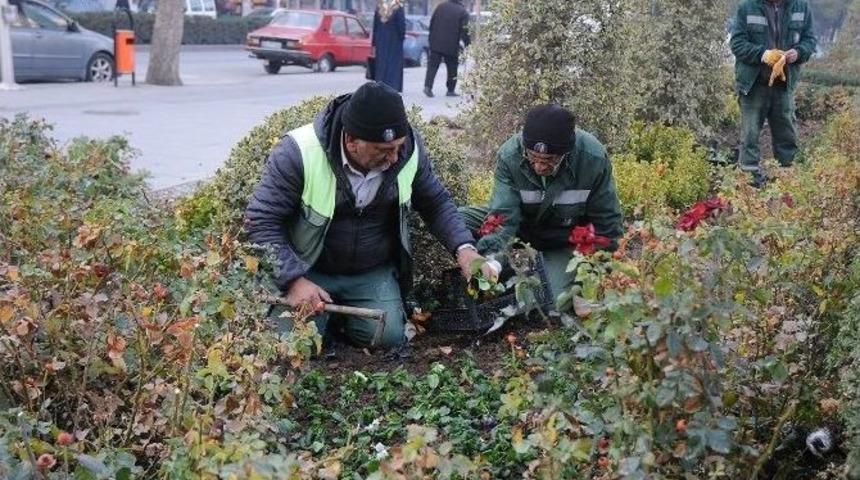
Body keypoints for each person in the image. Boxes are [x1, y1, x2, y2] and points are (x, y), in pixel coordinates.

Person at [245, 82, 495, 349]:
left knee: (388, 339)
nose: (394, 157)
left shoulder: (407, 151)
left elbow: (435, 203)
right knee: (291, 346)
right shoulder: (299, 152)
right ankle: (325, 320)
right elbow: (261, 221)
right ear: (352, 141)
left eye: (398, 147)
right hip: (309, 268)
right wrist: (292, 280)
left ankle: (337, 320)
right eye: (383, 150)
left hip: (370, 269)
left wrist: (465, 249)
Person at [460, 104, 623, 304]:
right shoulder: (509, 155)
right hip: (521, 226)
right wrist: (492, 261)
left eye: (549, 160)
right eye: (532, 157)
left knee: (553, 299)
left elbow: (607, 220)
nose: (539, 166)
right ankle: (511, 262)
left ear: (566, 152)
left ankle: (537, 273)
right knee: (456, 221)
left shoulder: (593, 159)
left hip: (565, 238)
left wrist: (604, 271)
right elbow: (503, 215)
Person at [730, 0, 816, 188]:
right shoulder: (747, 8)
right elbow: (736, 43)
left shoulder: (801, 7)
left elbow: (810, 40)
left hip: (783, 86)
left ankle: (786, 182)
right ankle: (748, 183)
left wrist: (798, 53)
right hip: (754, 85)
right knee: (750, 134)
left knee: (786, 134)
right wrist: (763, 55)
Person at [424, 0, 470, 98]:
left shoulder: (440, 6)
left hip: (436, 43)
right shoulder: (462, 12)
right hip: (451, 44)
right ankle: (450, 89)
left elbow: (432, 23)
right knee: (452, 67)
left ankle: (428, 86)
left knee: (432, 66)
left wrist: (431, 40)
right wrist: (468, 44)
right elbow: (465, 31)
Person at [372, 0, 406, 92]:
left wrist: (374, 43)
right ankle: (393, 86)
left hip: (380, 40)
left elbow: (375, 27)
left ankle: (379, 84)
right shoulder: (398, 7)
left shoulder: (379, 7)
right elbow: (401, 26)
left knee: (381, 64)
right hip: (394, 40)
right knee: (394, 64)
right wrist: (402, 38)